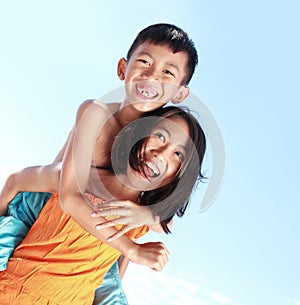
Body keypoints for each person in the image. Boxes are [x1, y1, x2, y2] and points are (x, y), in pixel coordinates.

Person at [0, 23, 200, 303]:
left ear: (179, 92)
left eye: (168, 73)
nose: (153, 77)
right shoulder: (96, 116)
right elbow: (61, 194)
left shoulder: (158, 141)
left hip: (85, 241)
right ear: (123, 69)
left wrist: (149, 216)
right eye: (144, 62)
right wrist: (131, 247)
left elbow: (164, 211)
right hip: (45, 198)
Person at [0, 106, 206, 305]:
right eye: (160, 136)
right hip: (13, 292)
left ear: (178, 177)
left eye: (178, 154)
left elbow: (165, 223)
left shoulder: (141, 220)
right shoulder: (77, 179)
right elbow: (15, 181)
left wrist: (148, 215)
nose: (161, 153)